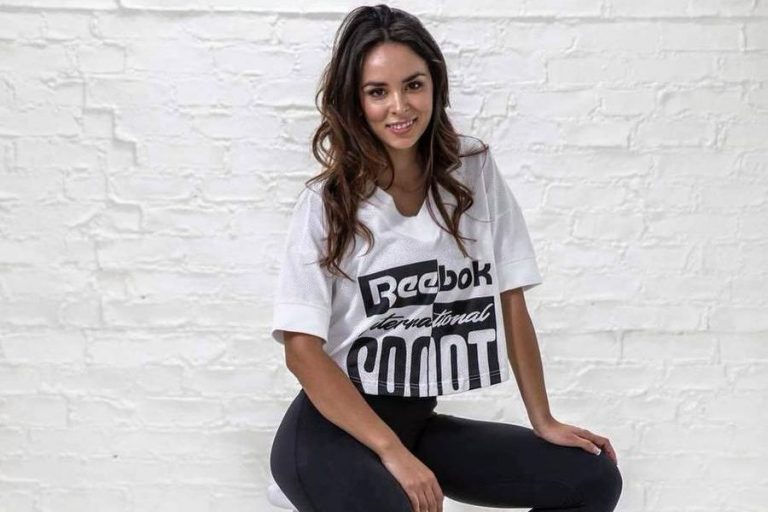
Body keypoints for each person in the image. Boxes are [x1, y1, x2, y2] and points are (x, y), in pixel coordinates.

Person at [269, 5, 623, 512]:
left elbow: (510, 297)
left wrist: (543, 420)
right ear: (356, 101)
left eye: (413, 85)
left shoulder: (471, 170)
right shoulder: (329, 203)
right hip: (330, 433)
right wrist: (392, 452)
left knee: (590, 478)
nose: (399, 107)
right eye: (377, 92)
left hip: (417, 421)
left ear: (435, 84)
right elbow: (301, 350)